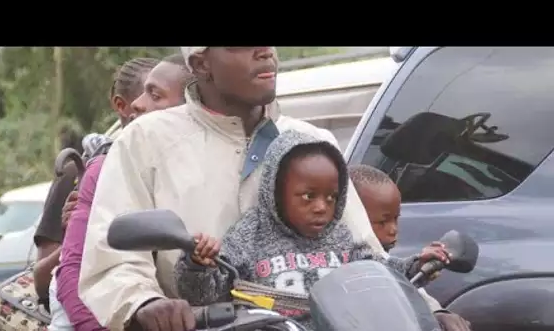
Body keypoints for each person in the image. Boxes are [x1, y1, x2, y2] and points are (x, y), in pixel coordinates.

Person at [78, 47, 469, 331]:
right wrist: (145, 303)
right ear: (201, 64)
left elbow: (363, 253)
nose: (265, 53)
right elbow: (112, 258)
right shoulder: (147, 140)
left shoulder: (311, 141)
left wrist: (425, 308)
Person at [174, 130, 448, 329]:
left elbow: (377, 273)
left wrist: (415, 266)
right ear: (276, 191)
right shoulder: (250, 232)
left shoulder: (340, 235)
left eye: (331, 197)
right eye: (308, 196)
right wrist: (199, 265)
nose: (321, 207)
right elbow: (205, 295)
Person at [50, 54, 194, 331]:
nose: (138, 104)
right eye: (142, 93)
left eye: (155, 95)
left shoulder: (218, 166)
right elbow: (77, 269)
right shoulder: (105, 167)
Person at [33, 57, 160, 304]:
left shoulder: (180, 169)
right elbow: (41, 281)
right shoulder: (77, 174)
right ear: (121, 105)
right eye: (149, 95)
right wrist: (83, 233)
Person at [350, 164, 472, 330]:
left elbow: (402, 283)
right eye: (382, 222)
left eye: (395, 218)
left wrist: (437, 314)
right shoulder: (329, 255)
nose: (394, 229)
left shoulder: (378, 258)